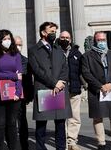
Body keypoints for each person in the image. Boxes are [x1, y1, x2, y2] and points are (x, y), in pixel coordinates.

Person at [28, 22, 72, 150]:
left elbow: (65, 68)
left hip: (59, 90)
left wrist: (60, 83)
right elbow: (37, 71)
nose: (54, 34)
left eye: (55, 31)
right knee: (41, 126)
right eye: (51, 31)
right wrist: (54, 83)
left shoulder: (58, 49)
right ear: (43, 32)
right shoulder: (34, 50)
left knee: (60, 124)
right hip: (44, 90)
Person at [81, 31, 111, 150]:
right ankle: (101, 143)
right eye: (99, 40)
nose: (102, 42)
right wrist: (100, 86)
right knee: (98, 117)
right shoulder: (87, 56)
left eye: (103, 39)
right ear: (95, 41)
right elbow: (86, 73)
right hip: (96, 90)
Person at [0, 29, 22, 150]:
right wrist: (13, 76)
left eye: (9, 38)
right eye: (4, 39)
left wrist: (18, 92)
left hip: (14, 93)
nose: (7, 41)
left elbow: (20, 76)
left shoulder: (16, 55)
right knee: (1, 123)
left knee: (12, 123)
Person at [57, 31, 83, 150]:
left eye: (67, 38)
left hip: (74, 88)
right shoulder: (55, 51)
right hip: (60, 89)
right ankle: (63, 143)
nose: (65, 39)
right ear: (59, 38)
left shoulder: (77, 53)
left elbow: (82, 70)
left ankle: (72, 141)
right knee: (61, 118)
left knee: (75, 117)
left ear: (71, 39)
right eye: (62, 37)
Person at [14, 36, 33, 150]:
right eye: (16, 44)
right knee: (10, 122)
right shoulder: (6, 60)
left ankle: (24, 144)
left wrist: (29, 95)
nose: (18, 47)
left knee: (22, 121)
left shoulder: (26, 60)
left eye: (20, 44)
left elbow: (28, 79)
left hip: (22, 96)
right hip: (9, 95)